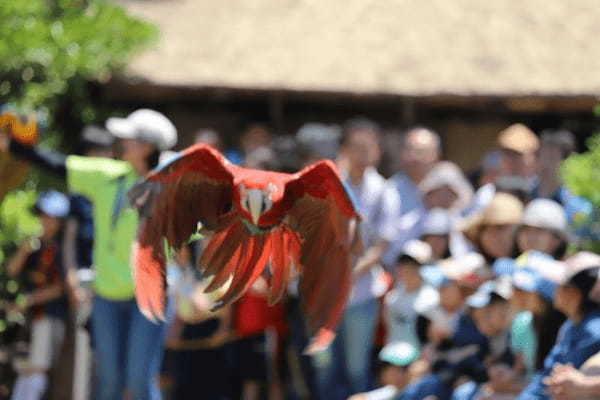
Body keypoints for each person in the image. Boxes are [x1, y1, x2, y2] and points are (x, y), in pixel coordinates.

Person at [1, 108, 178, 399]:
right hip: (107, 294)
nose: (122, 143)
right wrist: (14, 145)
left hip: (149, 296)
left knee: (138, 381)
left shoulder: (173, 190)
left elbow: (205, 225)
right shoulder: (108, 175)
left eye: (130, 139)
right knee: (108, 380)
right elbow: (57, 164)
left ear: (147, 146)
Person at [314, 118, 388, 400]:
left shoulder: (383, 190)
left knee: (357, 368)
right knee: (324, 366)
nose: (363, 154)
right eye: (356, 147)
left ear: (378, 151)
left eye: (368, 147)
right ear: (344, 150)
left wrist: (353, 269)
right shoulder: (329, 186)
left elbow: (383, 242)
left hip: (361, 294)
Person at [8, 191, 70, 400]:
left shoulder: (64, 248)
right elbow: (12, 271)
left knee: (39, 368)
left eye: (49, 216)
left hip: (50, 316)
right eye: (42, 215)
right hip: (30, 318)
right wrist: (24, 250)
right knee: (25, 367)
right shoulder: (35, 245)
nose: (44, 221)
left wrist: (30, 300)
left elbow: (62, 287)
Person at [517, 252, 600, 399]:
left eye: (561, 285)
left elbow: (557, 384)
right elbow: (547, 378)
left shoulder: (593, 331)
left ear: (575, 293)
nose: (555, 289)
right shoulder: (572, 324)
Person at [381, 127, 441, 267]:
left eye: (421, 152)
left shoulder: (447, 189)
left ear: (436, 155)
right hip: (397, 274)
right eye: (409, 150)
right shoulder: (388, 191)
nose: (414, 157)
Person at [384, 240, 438, 348]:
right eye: (403, 264)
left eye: (413, 265)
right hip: (391, 355)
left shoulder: (432, 299)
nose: (406, 269)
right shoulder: (392, 298)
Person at [530, 129, 591, 222]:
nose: (544, 163)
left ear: (565, 162)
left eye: (551, 158)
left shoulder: (575, 204)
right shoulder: (526, 193)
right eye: (541, 156)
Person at [461, 193, 523, 265]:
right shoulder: (472, 267)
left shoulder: (534, 265)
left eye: (501, 228)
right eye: (487, 229)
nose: (496, 237)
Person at [349, 342, 420, 400]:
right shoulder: (393, 391)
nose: (397, 374)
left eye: (404, 368)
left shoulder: (424, 392)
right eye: (388, 367)